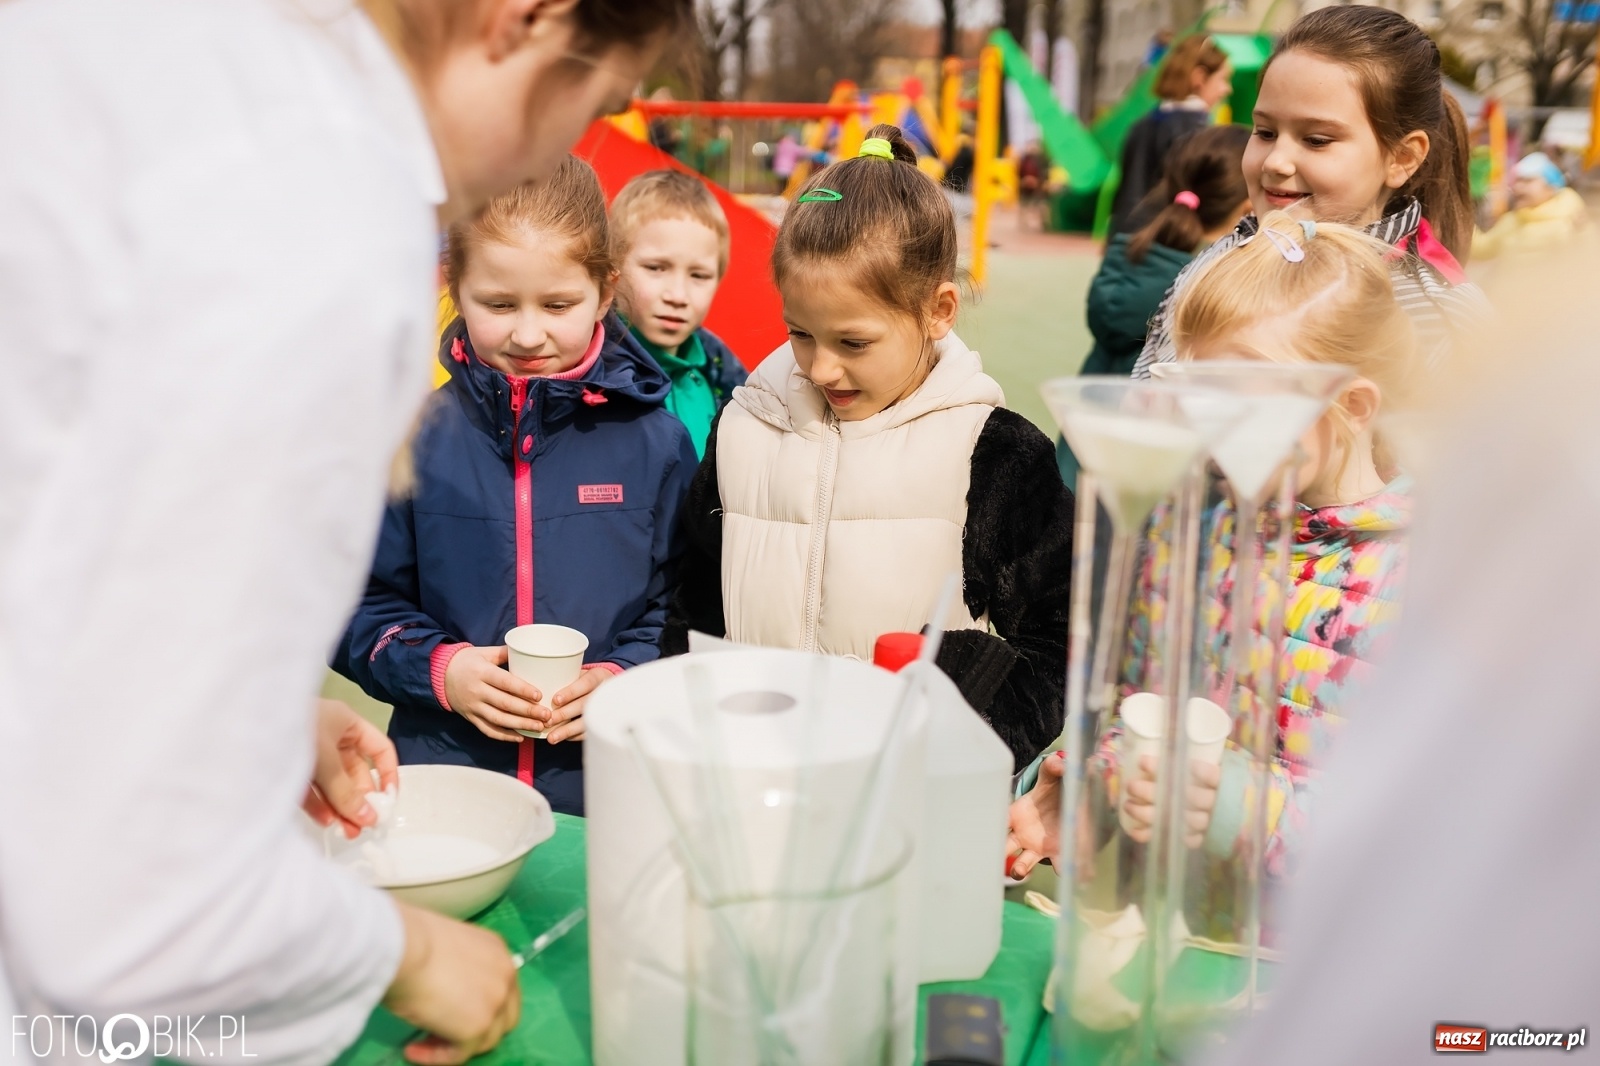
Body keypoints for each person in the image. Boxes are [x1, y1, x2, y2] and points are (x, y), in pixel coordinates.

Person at [0, 0, 686, 1062]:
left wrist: (262, 725)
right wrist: (402, 956)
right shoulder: (320, 216)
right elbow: (128, 906)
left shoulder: (152, 74)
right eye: (585, 110)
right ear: (526, 22)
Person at [1010, 216, 1420, 911]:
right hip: (1168, 927)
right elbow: (1142, 711)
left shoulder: (1421, 582)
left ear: (1351, 405)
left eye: (1243, 397)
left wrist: (1233, 805)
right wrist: (1095, 787)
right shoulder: (1192, 523)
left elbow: (1411, 832)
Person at [664, 125, 1075, 770]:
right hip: (749, 784)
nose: (822, 369)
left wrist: (968, 747)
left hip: (912, 812)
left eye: (853, 343)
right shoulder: (742, 428)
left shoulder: (995, 453)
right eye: (801, 334)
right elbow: (688, 608)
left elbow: (1060, 638)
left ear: (938, 311)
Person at [335, 159, 697, 818]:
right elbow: (353, 604)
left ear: (605, 292)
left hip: (608, 795)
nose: (528, 335)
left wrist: (622, 679)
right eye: (498, 304)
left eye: (558, 305)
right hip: (445, 790)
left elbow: (683, 611)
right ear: (454, 284)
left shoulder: (659, 444)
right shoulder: (410, 439)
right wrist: (441, 670)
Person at [1133, 5, 1488, 380]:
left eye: (1316, 140)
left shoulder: (1441, 321)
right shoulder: (1214, 265)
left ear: (1402, 157)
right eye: (1265, 132)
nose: (1276, 162)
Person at [1059, 127, 1251, 487]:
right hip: (1146, 473)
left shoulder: (1128, 254)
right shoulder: (1214, 283)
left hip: (1079, 461)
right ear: (1247, 208)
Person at [610, 169, 748, 458]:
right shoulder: (592, 376)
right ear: (614, 268)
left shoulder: (726, 379)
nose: (678, 296)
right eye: (656, 268)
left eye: (698, 275)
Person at [1109, 34, 1233, 235]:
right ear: (1199, 77)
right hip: (1161, 243)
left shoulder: (1142, 124)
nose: (1227, 89)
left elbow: (1126, 192)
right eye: (1223, 79)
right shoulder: (1196, 133)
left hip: (1123, 238)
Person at [1471, 151, 1592, 260]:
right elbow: (1483, 248)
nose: (1518, 187)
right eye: (1516, 181)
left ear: (1551, 187)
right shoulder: (1512, 220)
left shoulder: (1570, 219)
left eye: (1527, 181)